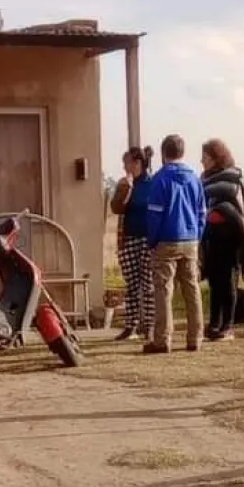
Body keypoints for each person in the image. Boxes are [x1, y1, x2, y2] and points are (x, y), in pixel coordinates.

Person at [144, 134, 206, 354]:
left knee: (163, 290)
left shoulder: (160, 179)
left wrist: (152, 241)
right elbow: (202, 212)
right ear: (182, 152)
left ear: (163, 153)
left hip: (166, 239)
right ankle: (195, 337)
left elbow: (154, 215)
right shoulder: (194, 178)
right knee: (192, 288)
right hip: (190, 239)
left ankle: (162, 339)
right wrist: (197, 235)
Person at [199, 139, 244, 341]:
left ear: (215, 158)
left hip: (231, 238)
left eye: (205, 157)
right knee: (214, 282)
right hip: (211, 237)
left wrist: (223, 214)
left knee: (228, 282)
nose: (202, 161)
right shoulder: (204, 180)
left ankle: (228, 326)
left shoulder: (233, 179)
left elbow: (239, 212)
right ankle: (214, 323)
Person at [110, 146, 156, 342]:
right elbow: (116, 208)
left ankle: (149, 325)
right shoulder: (125, 184)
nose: (124, 167)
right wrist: (124, 190)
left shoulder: (152, 183)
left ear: (137, 163)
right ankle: (131, 325)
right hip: (128, 238)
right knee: (131, 284)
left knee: (148, 284)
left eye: (126, 163)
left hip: (148, 239)